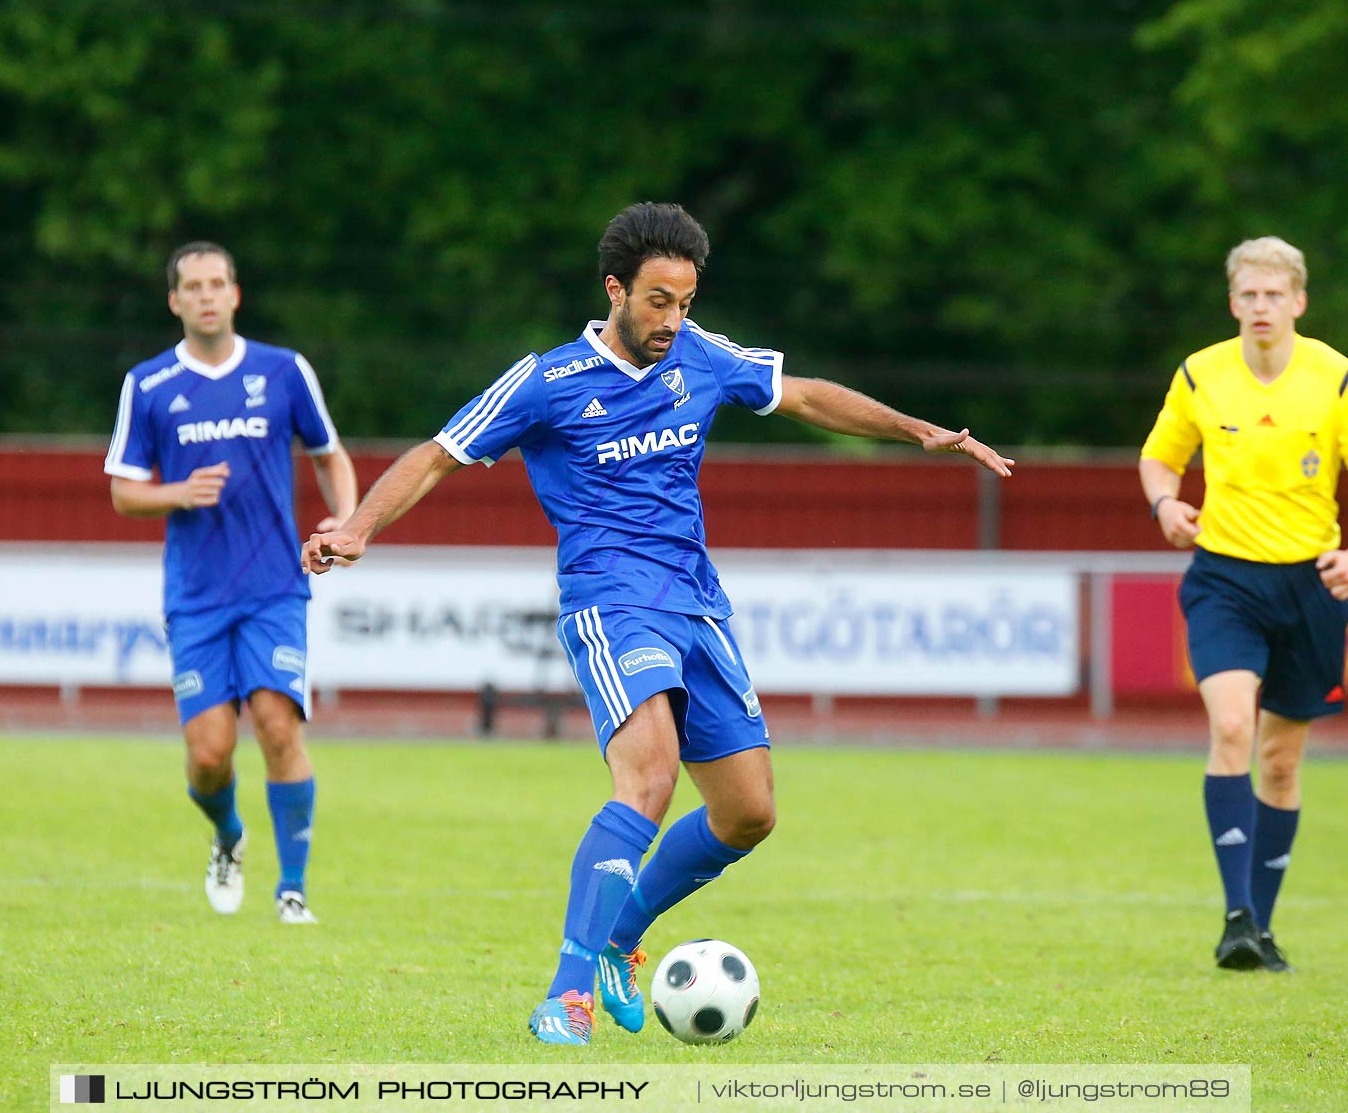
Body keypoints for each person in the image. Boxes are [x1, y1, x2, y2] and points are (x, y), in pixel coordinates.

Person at [303, 202, 1014, 1043]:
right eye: (658, 302)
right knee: (648, 778)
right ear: (616, 290)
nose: (674, 320)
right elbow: (438, 453)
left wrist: (914, 430)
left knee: (749, 813)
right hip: (611, 601)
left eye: (684, 302)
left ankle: (619, 941)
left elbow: (804, 395)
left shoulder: (703, 355)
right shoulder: (549, 381)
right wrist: (356, 530)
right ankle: (565, 994)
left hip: (697, 603)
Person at [1140, 236, 1348, 972]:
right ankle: (1236, 918)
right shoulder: (1201, 374)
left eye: (1273, 295)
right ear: (1233, 303)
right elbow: (1158, 456)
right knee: (1231, 727)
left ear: (1299, 302)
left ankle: (1263, 926)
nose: (1261, 307)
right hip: (1224, 579)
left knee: (1281, 763)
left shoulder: (1337, 380)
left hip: (1310, 587)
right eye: (1248, 295)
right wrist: (1165, 501)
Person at [106, 242, 357, 924]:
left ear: (236, 294)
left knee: (279, 726)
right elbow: (124, 493)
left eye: (218, 283)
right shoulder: (150, 385)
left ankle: (293, 889)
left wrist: (346, 518)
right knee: (210, 755)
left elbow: (330, 455)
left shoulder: (283, 370)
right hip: (195, 598)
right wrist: (179, 491)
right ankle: (227, 834)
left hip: (276, 586)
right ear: (175, 301)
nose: (207, 295)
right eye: (194, 286)